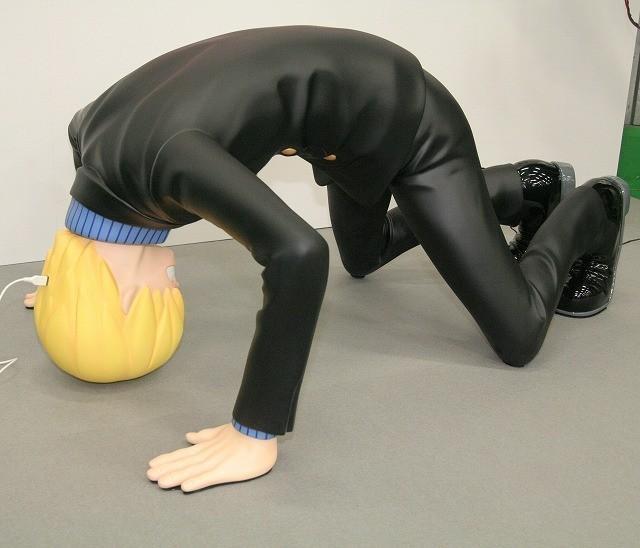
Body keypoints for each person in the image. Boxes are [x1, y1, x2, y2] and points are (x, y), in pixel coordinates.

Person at [27, 25, 629, 492]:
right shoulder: (91, 134)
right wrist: (71, 290)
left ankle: (594, 204)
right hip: (343, 130)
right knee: (363, 257)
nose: (173, 286)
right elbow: (82, 142)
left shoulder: (172, 163)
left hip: (411, 117)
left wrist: (254, 430)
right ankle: (519, 186)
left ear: (135, 289)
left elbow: (299, 254)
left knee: (519, 334)